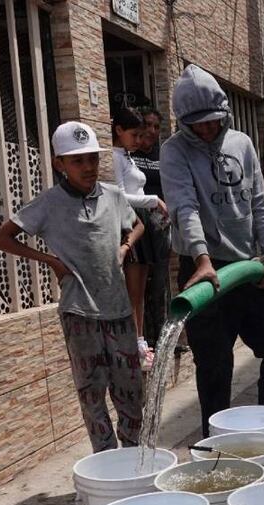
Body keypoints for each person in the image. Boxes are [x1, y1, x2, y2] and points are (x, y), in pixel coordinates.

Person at [160, 64, 264, 437]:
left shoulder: (242, 144)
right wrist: (202, 259)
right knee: (214, 364)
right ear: (183, 123)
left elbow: (259, 201)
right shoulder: (174, 152)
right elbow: (184, 207)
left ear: (224, 113)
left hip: (247, 268)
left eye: (212, 122)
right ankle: (220, 449)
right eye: (197, 125)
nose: (206, 130)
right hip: (203, 269)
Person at [0, 121, 145, 451]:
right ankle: (106, 464)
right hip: (80, 312)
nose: (88, 167)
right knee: (92, 394)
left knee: (131, 392)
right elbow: (0, 238)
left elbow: (137, 224)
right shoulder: (48, 204)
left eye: (92, 159)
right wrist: (52, 262)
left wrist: (125, 246)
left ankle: (133, 460)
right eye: (77, 161)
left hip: (118, 310)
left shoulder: (114, 196)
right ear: (59, 164)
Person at [111, 107, 168, 369]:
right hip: (129, 223)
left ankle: (141, 341)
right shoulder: (114, 157)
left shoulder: (128, 156)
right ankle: (135, 345)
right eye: (134, 134)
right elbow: (119, 194)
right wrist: (153, 200)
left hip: (141, 222)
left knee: (142, 290)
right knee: (133, 291)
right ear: (119, 130)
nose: (138, 140)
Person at [130, 107, 177, 354]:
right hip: (136, 226)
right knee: (138, 286)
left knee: (160, 282)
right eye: (147, 125)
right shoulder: (130, 155)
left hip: (160, 225)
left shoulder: (163, 156)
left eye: (156, 127)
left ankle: (163, 338)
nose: (151, 131)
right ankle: (142, 339)